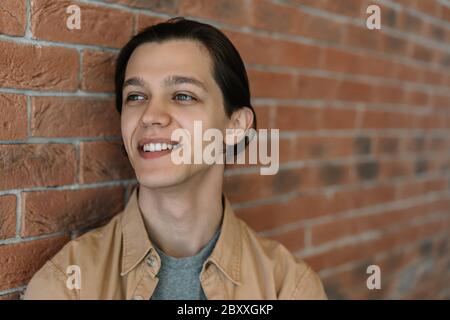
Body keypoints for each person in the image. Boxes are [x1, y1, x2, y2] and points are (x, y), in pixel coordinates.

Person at [23, 17, 327, 300]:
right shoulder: (65, 285)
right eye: (136, 97)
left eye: (183, 95)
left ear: (234, 127)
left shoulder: (288, 287)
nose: (150, 116)